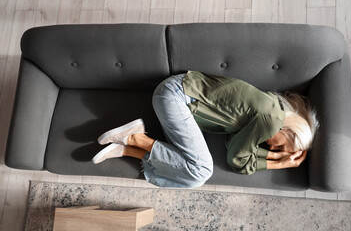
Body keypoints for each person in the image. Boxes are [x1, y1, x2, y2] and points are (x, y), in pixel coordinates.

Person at [92, 70, 319, 188]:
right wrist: (280, 163)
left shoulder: (271, 108)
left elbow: (236, 144)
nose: (269, 144)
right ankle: (136, 138)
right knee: (202, 171)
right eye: (278, 144)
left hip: (176, 98)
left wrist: (277, 154)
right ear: (288, 131)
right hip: (176, 96)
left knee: (195, 178)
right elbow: (237, 160)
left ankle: (127, 149)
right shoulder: (271, 120)